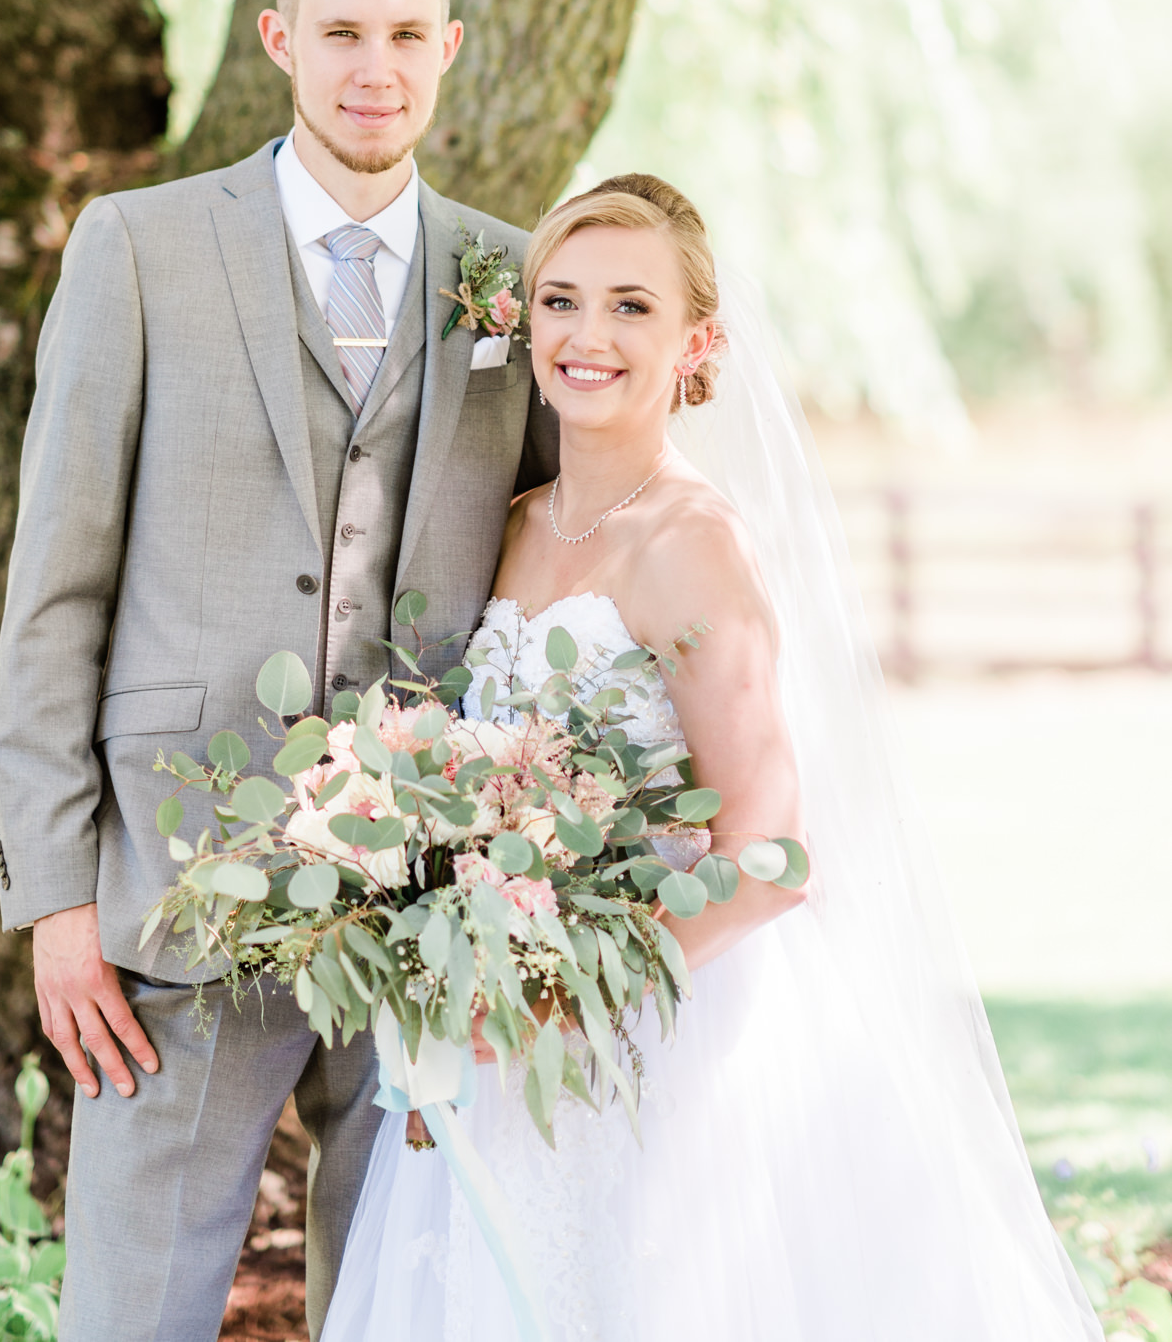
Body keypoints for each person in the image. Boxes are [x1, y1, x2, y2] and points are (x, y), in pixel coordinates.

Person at [321, 174, 1101, 1342]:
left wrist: (569, 996)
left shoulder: (693, 544)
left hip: (661, 1043)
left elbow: (777, 854)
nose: (588, 337)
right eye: (561, 301)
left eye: (631, 307)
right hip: (502, 1043)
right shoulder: (519, 521)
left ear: (698, 342)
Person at [0, 0, 557, 1342]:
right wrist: (57, 899)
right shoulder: (140, 249)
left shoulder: (510, 279)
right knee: (134, 1312)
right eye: (342, 31)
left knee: (406, 1303)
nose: (376, 67)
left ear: (449, 48)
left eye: (406, 34)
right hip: (178, 885)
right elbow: (56, 589)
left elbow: (566, 541)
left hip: (429, 895)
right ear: (278, 39)